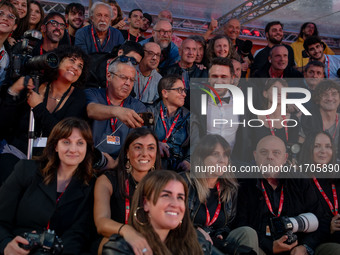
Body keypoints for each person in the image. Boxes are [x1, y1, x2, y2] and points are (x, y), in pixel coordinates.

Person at [0, 117, 95, 255]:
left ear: (87, 148)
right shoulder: (26, 170)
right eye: (66, 142)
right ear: (55, 146)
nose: (73, 149)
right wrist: (6, 245)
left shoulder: (90, 185)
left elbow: (78, 235)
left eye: (80, 143)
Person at [0, 45, 89, 184]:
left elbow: (63, 133)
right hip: (17, 151)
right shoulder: (35, 83)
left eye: (80, 66)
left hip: (49, 159)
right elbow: (5, 123)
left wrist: (38, 107)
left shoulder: (78, 97)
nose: (75, 67)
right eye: (71, 60)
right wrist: (13, 91)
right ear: (58, 61)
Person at [236, 135, 322, 255]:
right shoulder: (244, 183)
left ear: (285, 158)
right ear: (255, 156)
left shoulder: (300, 181)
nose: (270, 157)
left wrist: (305, 247)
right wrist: (269, 246)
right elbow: (241, 225)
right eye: (264, 152)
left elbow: (319, 218)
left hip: (297, 248)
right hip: (261, 247)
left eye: (276, 153)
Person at [182, 134, 259, 255]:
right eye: (215, 154)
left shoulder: (230, 188)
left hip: (216, 242)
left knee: (247, 232)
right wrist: (196, 230)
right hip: (190, 239)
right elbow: (175, 219)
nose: (222, 160)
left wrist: (220, 233)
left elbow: (228, 224)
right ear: (202, 157)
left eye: (225, 155)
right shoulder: (184, 182)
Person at [102, 170, 207, 255]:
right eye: (166, 195)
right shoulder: (120, 248)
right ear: (145, 203)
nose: (175, 204)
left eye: (180, 197)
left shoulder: (198, 243)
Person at [94, 128, 161, 254]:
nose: (145, 153)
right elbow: (101, 222)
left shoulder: (163, 184)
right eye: (138, 147)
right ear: (127, 153)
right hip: (116, 241)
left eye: (151, 148)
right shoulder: (107, 180)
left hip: (150, 243)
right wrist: (127, 231)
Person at [85, 56, 146, 160]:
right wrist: (116, 111)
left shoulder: (137, 106)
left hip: (120, 163)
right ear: (109, 76)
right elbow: (91, 110)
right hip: (90, 158)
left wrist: (116, 164)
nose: (128, 83)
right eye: (123, 77)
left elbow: (138, 143)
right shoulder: (92, 94)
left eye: (131, 80)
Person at [299, 131, 340, 255]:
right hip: (316, 241)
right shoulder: (300, 180)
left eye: (328, 146)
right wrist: (329, 226)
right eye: (317, 146)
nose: (323, 151)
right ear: (309, 149)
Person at [147, 75, 197, 171]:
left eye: (184, 90)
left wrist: (189, 161)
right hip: (153, 164)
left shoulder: (190, 117)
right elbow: (140, 136)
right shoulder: (150, 112)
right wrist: (154, 144)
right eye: (179, 90)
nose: (184, 94)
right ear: (165, 93)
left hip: (180, 166)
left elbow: (196, 142)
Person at [247, 79, 300, 161]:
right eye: (275, 89)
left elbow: (293, 149)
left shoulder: (292, 120)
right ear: (265, 94)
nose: (279, 93)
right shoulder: (253, 118)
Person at [300, 80, 340, 158]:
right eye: (325, 94)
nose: (330, 98)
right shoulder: (306, 119)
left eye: (334, 94)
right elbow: (302, 148)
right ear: (317, 99)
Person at [0, 1, 18, 85]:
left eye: (11, 16)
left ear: (14, 26)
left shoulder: (7, 58)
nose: (5, 18)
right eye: (0, 13)